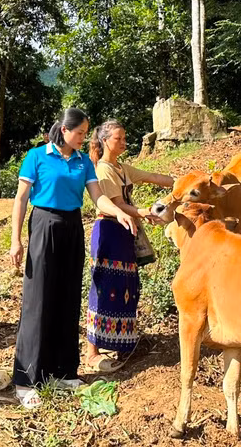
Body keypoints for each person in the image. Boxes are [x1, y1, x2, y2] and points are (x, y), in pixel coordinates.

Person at [9, 108, 137, 410]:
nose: (84, 138)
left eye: (85, 133)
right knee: (38, 301)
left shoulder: (83, 162)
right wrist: (16, 240)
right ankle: (26, 380)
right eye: (80, 133)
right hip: (43, 225)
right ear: (64, 131)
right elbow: (21, 199)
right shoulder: (38, 156)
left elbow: (97, 197)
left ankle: (62, 372)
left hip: (72, 228)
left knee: (67, 299)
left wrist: (119, 212)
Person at [85, 120, 173, 372]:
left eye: (125, 138)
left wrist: (182, 183)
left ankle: (121, 342)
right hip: (109, 232)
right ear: (104, 141)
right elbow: (117, 204)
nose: (124, 142)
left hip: (124, 233)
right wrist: (144, 212)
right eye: (119, 138)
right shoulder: (103, 170)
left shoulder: (121, 167)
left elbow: (151, 177)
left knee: (126, 287)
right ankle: (92, 351)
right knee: (104, 290)